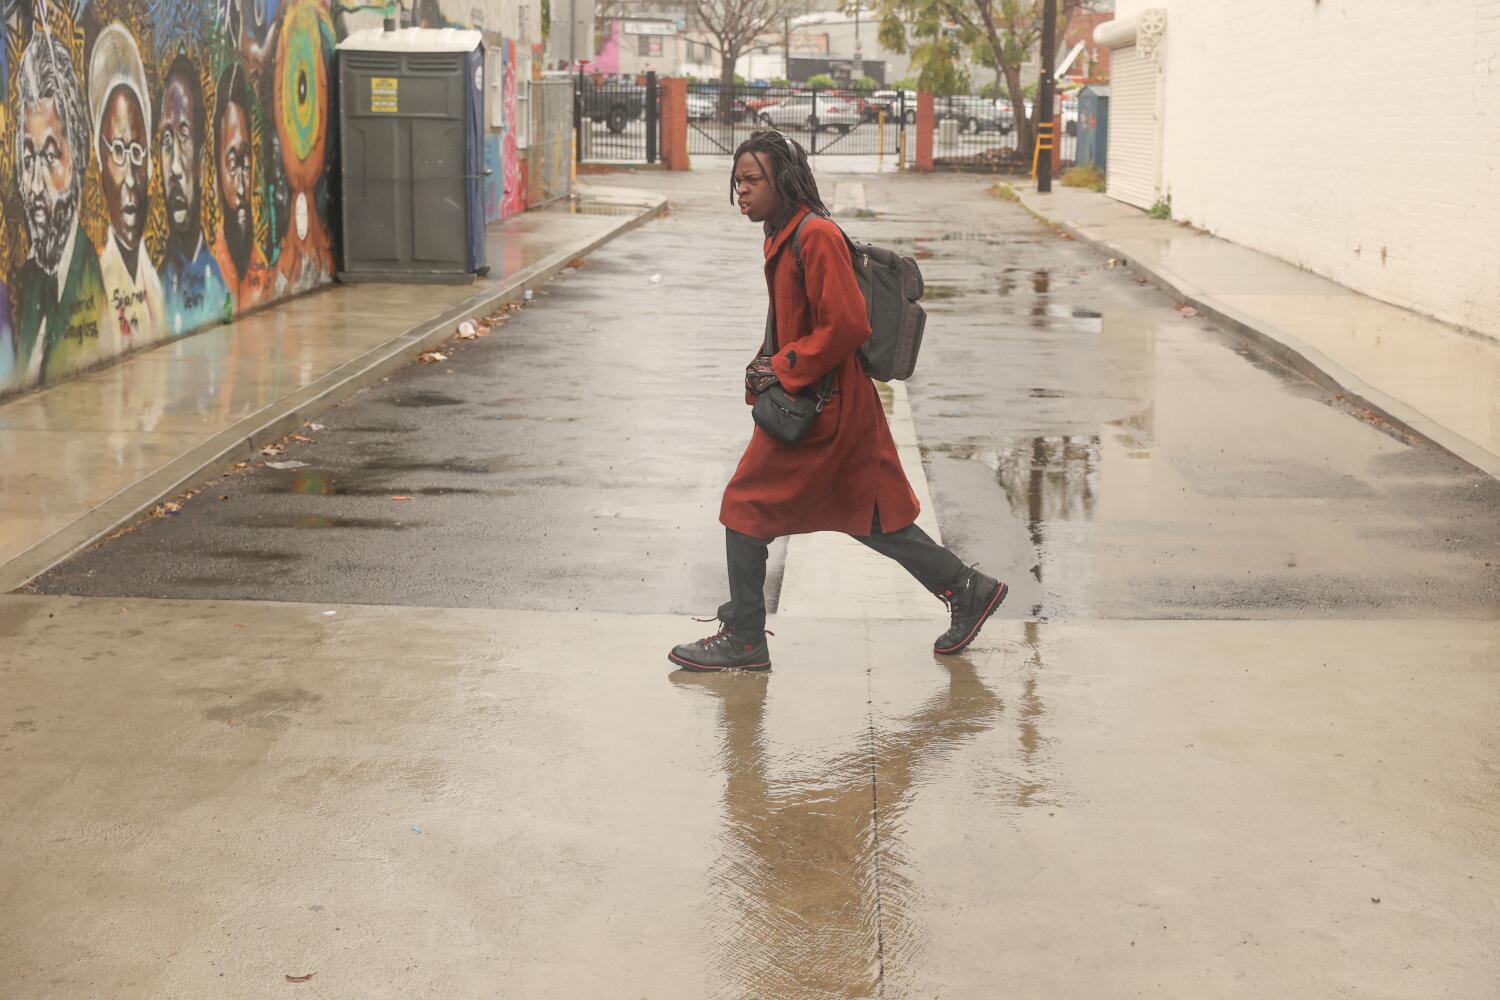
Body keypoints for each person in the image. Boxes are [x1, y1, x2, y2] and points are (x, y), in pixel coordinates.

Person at [668, 131, 1009, 673]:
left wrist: (782, 368)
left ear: (782, 180)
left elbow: (848, 324)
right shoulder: (784, 233)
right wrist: (765, 368)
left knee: (745, 506)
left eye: (752, 181)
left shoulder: (815, 235)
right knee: (873, 516)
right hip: (826, 401)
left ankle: (745, 639)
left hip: (826, 408)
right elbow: (792, 322)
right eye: (736, 182)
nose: (741, 192)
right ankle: (967, 590)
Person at [11, 31, 106, 385]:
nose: (35, 185)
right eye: (28, 158)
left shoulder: (89, 278)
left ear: (77, 155)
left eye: (50, 156)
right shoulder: (29, 282)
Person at [90, 24, 166, 355]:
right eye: (118, 152)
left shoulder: (156, 285)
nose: (132, 179)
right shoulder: (97, 286)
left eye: (137, 152)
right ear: (99, 157)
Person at [157, 53, 231, 335]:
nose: (174, 167)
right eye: (166, 140)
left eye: (184, 137)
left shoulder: (217, 282)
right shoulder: (154, 288)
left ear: (201, 159)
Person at [211, 62, 272, 310]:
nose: (241, 187)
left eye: (245, 163)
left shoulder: (263, 267)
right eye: (232, 163)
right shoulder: (211, 270)